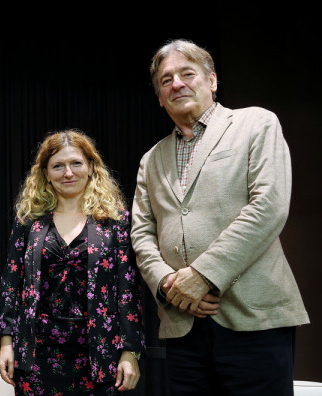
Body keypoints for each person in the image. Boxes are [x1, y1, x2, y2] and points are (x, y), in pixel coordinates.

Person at [131, 39, 309, 395]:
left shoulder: (256, 123)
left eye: (187, 73)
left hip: (253, 318)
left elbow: (269, 205)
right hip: (184, 324)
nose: (177, 83)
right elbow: (141, 233)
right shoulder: (151, 159)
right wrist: (168, 284)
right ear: (160, 98)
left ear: (211, 81)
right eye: (166, 80)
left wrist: (203, 275)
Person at [0, 129, 145, 395]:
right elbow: (10, 284)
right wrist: (6, 341)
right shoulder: (28, 221)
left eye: (76, 163)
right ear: (45, 174)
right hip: (36, 355)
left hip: (98, 354)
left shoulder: (115, 221)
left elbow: (128, 289)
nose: (68, 173)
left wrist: (131, 350)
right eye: (58, 166)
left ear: (90, 167)